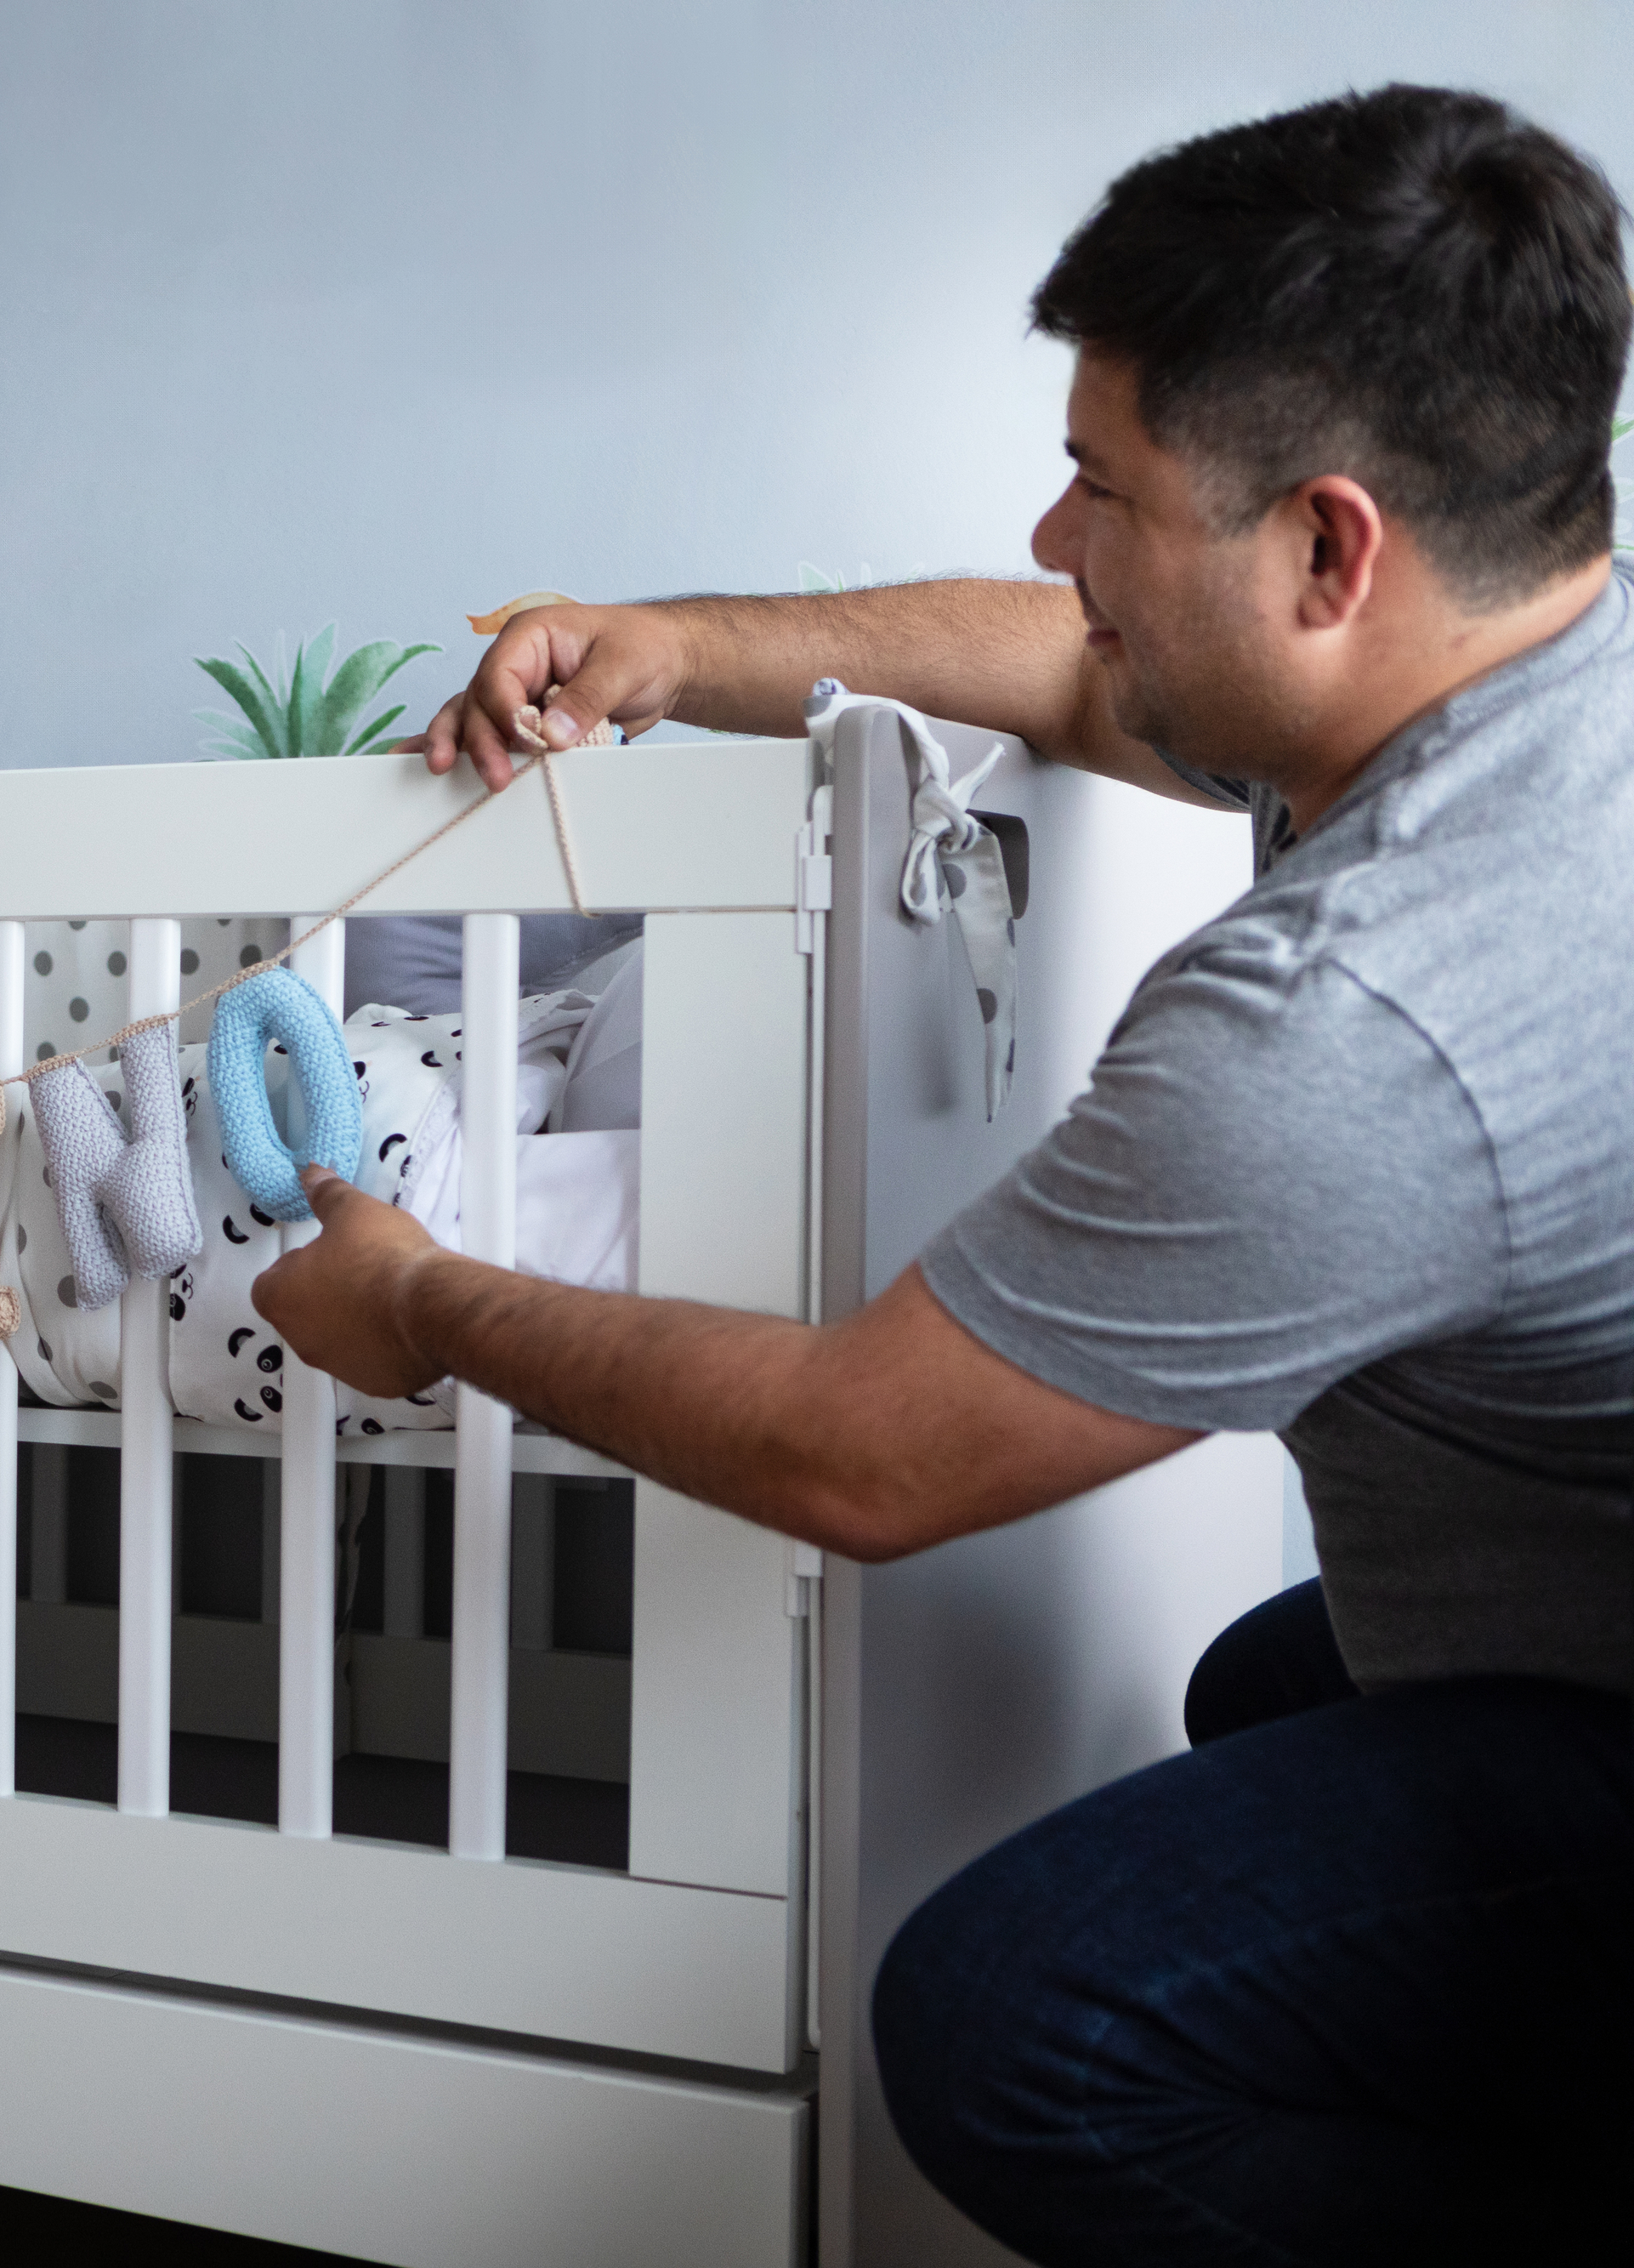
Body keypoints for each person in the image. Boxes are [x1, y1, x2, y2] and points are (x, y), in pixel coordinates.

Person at [257, 83, 1631, 2263]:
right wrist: (683, 651)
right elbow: (1094, 689)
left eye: (1101, 487)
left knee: (1016, 2018)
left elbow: (860, 1455)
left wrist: (422, 1300)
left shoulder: (1372, 1013)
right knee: (1269, 1688)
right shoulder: (1515, 654)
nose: (1050, 540)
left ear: (1322, 546)